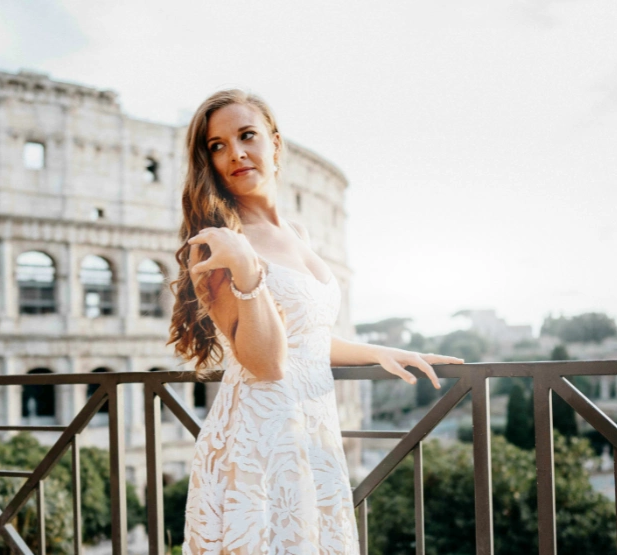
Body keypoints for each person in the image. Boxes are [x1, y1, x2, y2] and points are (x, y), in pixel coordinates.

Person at [168, 89, 464, 554]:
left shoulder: (297, 233)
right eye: (217, 145)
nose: (235, 153)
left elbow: (304, 339)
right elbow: (267, 363)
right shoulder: (218, 241)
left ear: (275, 144)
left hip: (312, 430)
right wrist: (247, 270)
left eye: (247, 136)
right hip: (258, 437)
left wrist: (380, 352)